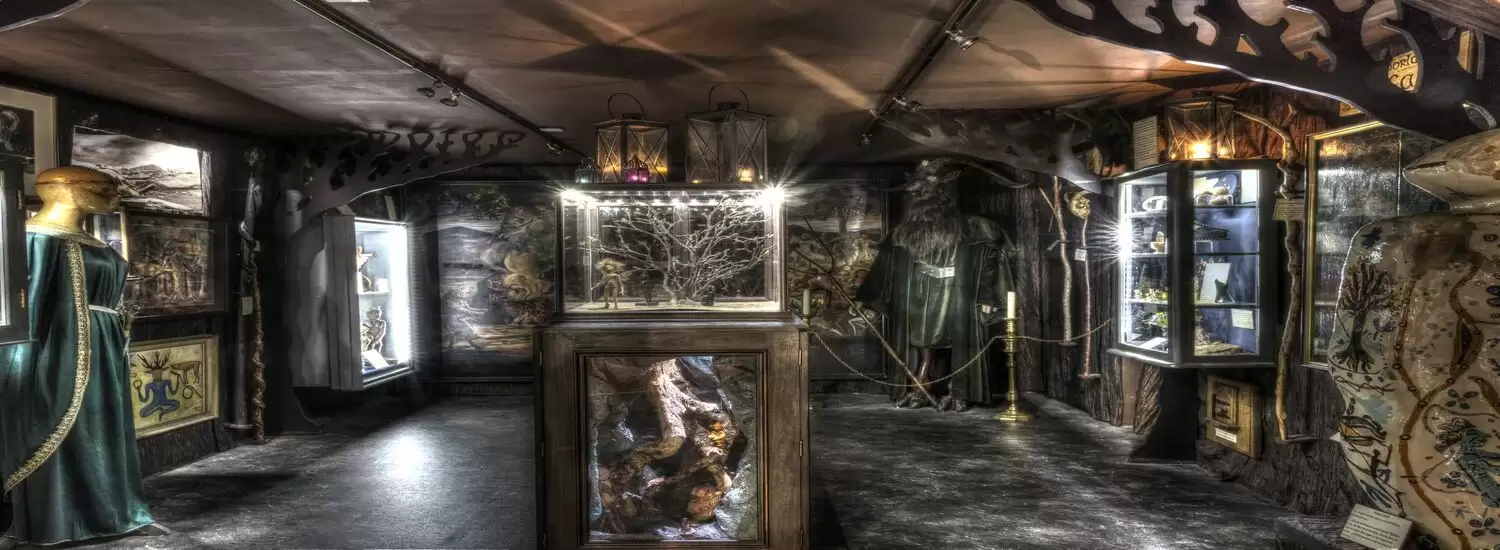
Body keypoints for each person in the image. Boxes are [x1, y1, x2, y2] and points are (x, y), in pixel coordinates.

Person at [1, 166, 163, 547]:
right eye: (102, 187)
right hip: (61, 350)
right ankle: (57, 521)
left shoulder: (91, 241)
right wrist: (27, 366)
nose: (113, 195)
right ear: (65, 189)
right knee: (62, 428)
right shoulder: (35, 239)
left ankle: (111, 511)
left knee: (102, 431)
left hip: (103, 352)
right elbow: (31, 308)